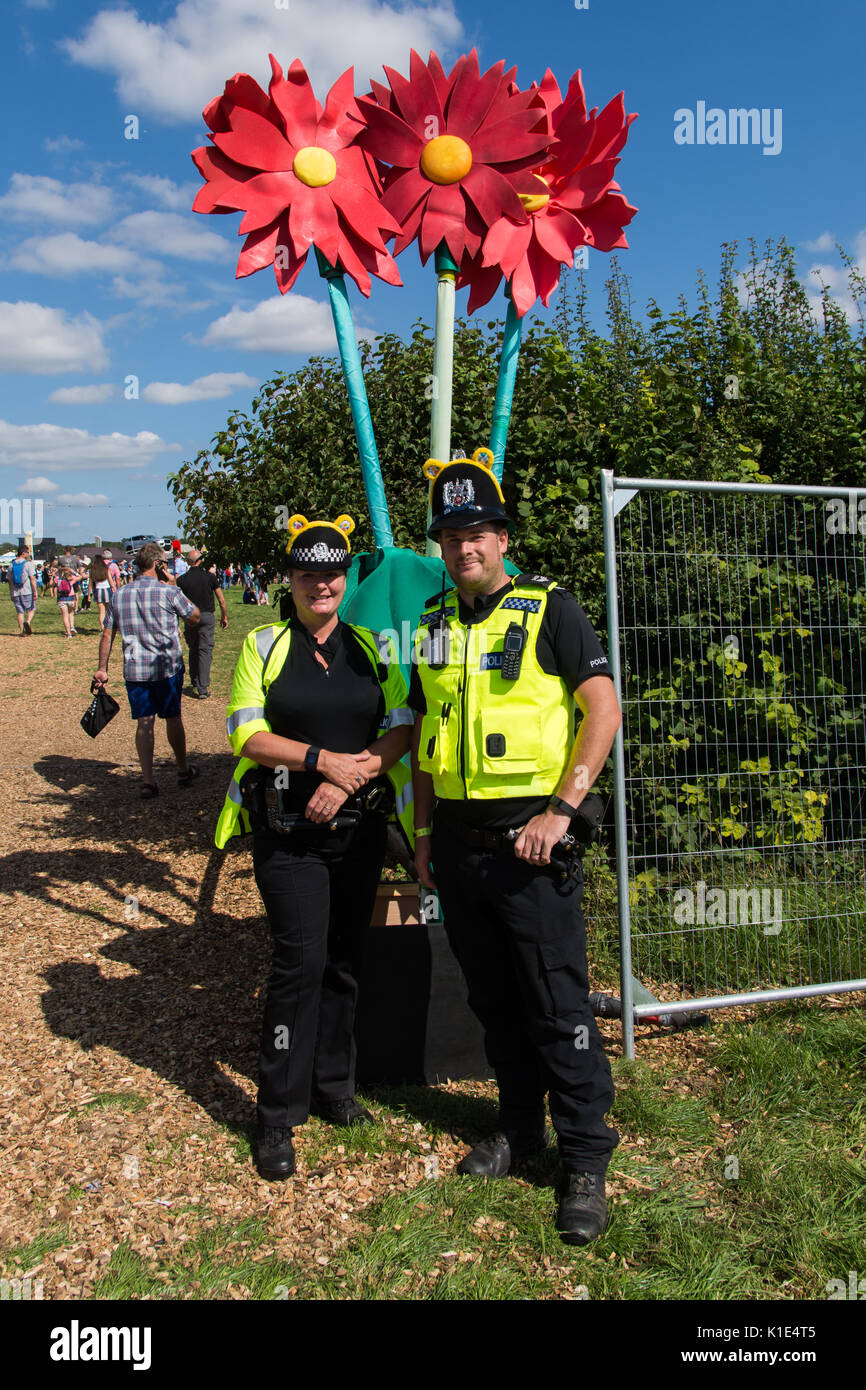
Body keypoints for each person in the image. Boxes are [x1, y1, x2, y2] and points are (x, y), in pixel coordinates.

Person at [410, 448, 623, 1247]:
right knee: (493, 1000)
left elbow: (603, 713)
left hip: (532, 846)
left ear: (501, 537)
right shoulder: (431, 628)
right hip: (459, 846)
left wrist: (563, 810)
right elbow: (429, 738)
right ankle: (517, 1128)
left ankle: (586, 1158)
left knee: (556, 1003)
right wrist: (426, 836)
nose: (463, 546)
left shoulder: (551, 609)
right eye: (450, 535)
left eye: (476, 532)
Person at [214, 513, 414, 1182]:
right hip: (287, 835)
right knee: (298, 964)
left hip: (357, 831)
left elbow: (402, 727)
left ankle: (335, 1089)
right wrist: (324, 761)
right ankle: (277, 1114)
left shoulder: (371, 646)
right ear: (290, 581)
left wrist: (359, 770)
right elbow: (247, 735)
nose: (321, 584)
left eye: (332, 573)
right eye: (308, 574)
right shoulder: (264, 645)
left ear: (346, 577)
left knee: (344, 961)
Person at [93, 542, 201, 799]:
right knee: (173, 718)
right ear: (158, 564)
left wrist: (101, 668)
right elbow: (194, 617)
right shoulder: (168, 593)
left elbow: (108, 633)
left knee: (144, 723)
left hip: (135, 669)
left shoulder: (119, 594)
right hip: (166, 667)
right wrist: (173, 584)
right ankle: (183, 769)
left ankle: (148, 780)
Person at [177, 548, 228, 699]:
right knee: (205, 650)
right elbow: (222, 600)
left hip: (190, 616)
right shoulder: (210, 577)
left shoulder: (182, 580)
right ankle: (203, 687)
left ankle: (194, 679)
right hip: (206, 616)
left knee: (193, 648)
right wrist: (224, 616)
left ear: (188, 562)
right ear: (201, 561)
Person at [8, 544, 37, 636]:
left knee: (20, 612)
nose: (28, 554)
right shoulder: (28, 564)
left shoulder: (11, 565)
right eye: (28, 552)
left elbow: (9, 580)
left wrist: (11, 592)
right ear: (24, 553)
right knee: (31, 609)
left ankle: (21, 631)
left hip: (15, 592)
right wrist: (35, 591)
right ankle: (28, 622)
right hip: (27, 591)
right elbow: (32, 579)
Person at [56, 566, 82, 636]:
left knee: (65, 616)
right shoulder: (71, 579)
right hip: (70, 598)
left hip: (61, 599)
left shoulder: (58, 579)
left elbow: (51, 583)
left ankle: (68, 633)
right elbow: (80, 577)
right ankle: (72, 627)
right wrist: (72, 571)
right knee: (70, 613)